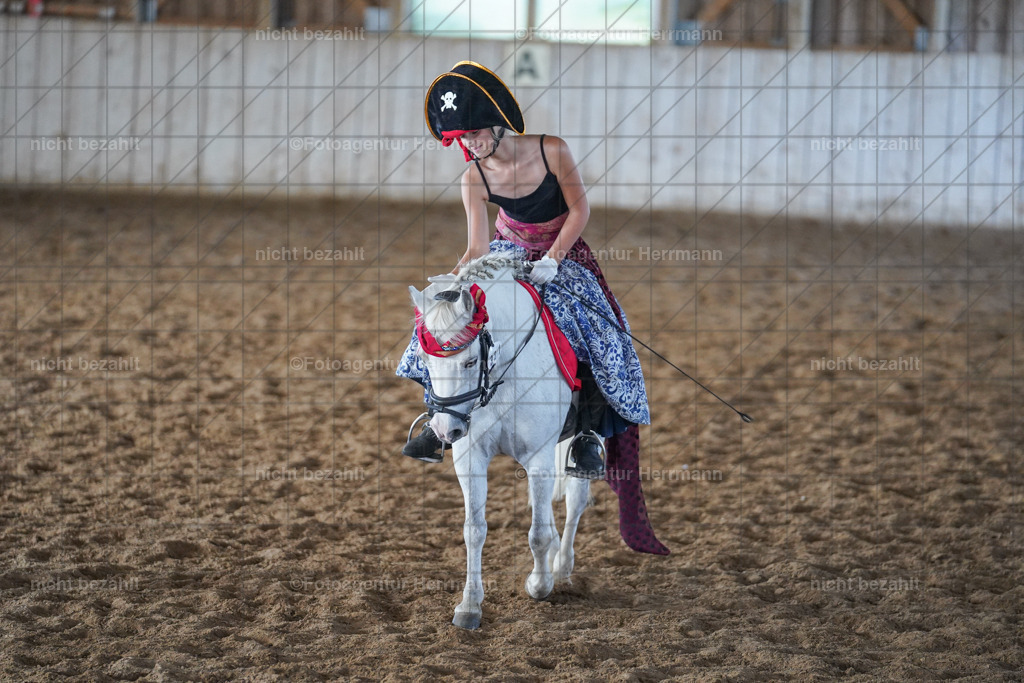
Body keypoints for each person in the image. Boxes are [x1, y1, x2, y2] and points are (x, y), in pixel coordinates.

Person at [395, 63, 666, 551]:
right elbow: (478, 246)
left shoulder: (552, 150)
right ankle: (437, 418)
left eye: (474, 134)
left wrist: (553, 261)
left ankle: (584, 433)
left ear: (497, 122)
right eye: (461, 138)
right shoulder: (472, 177)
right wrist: (456, 277)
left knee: (599, 335)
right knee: (443, 323)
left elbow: (580, 210)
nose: (470, 144)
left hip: (562, 254)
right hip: (505, 255)